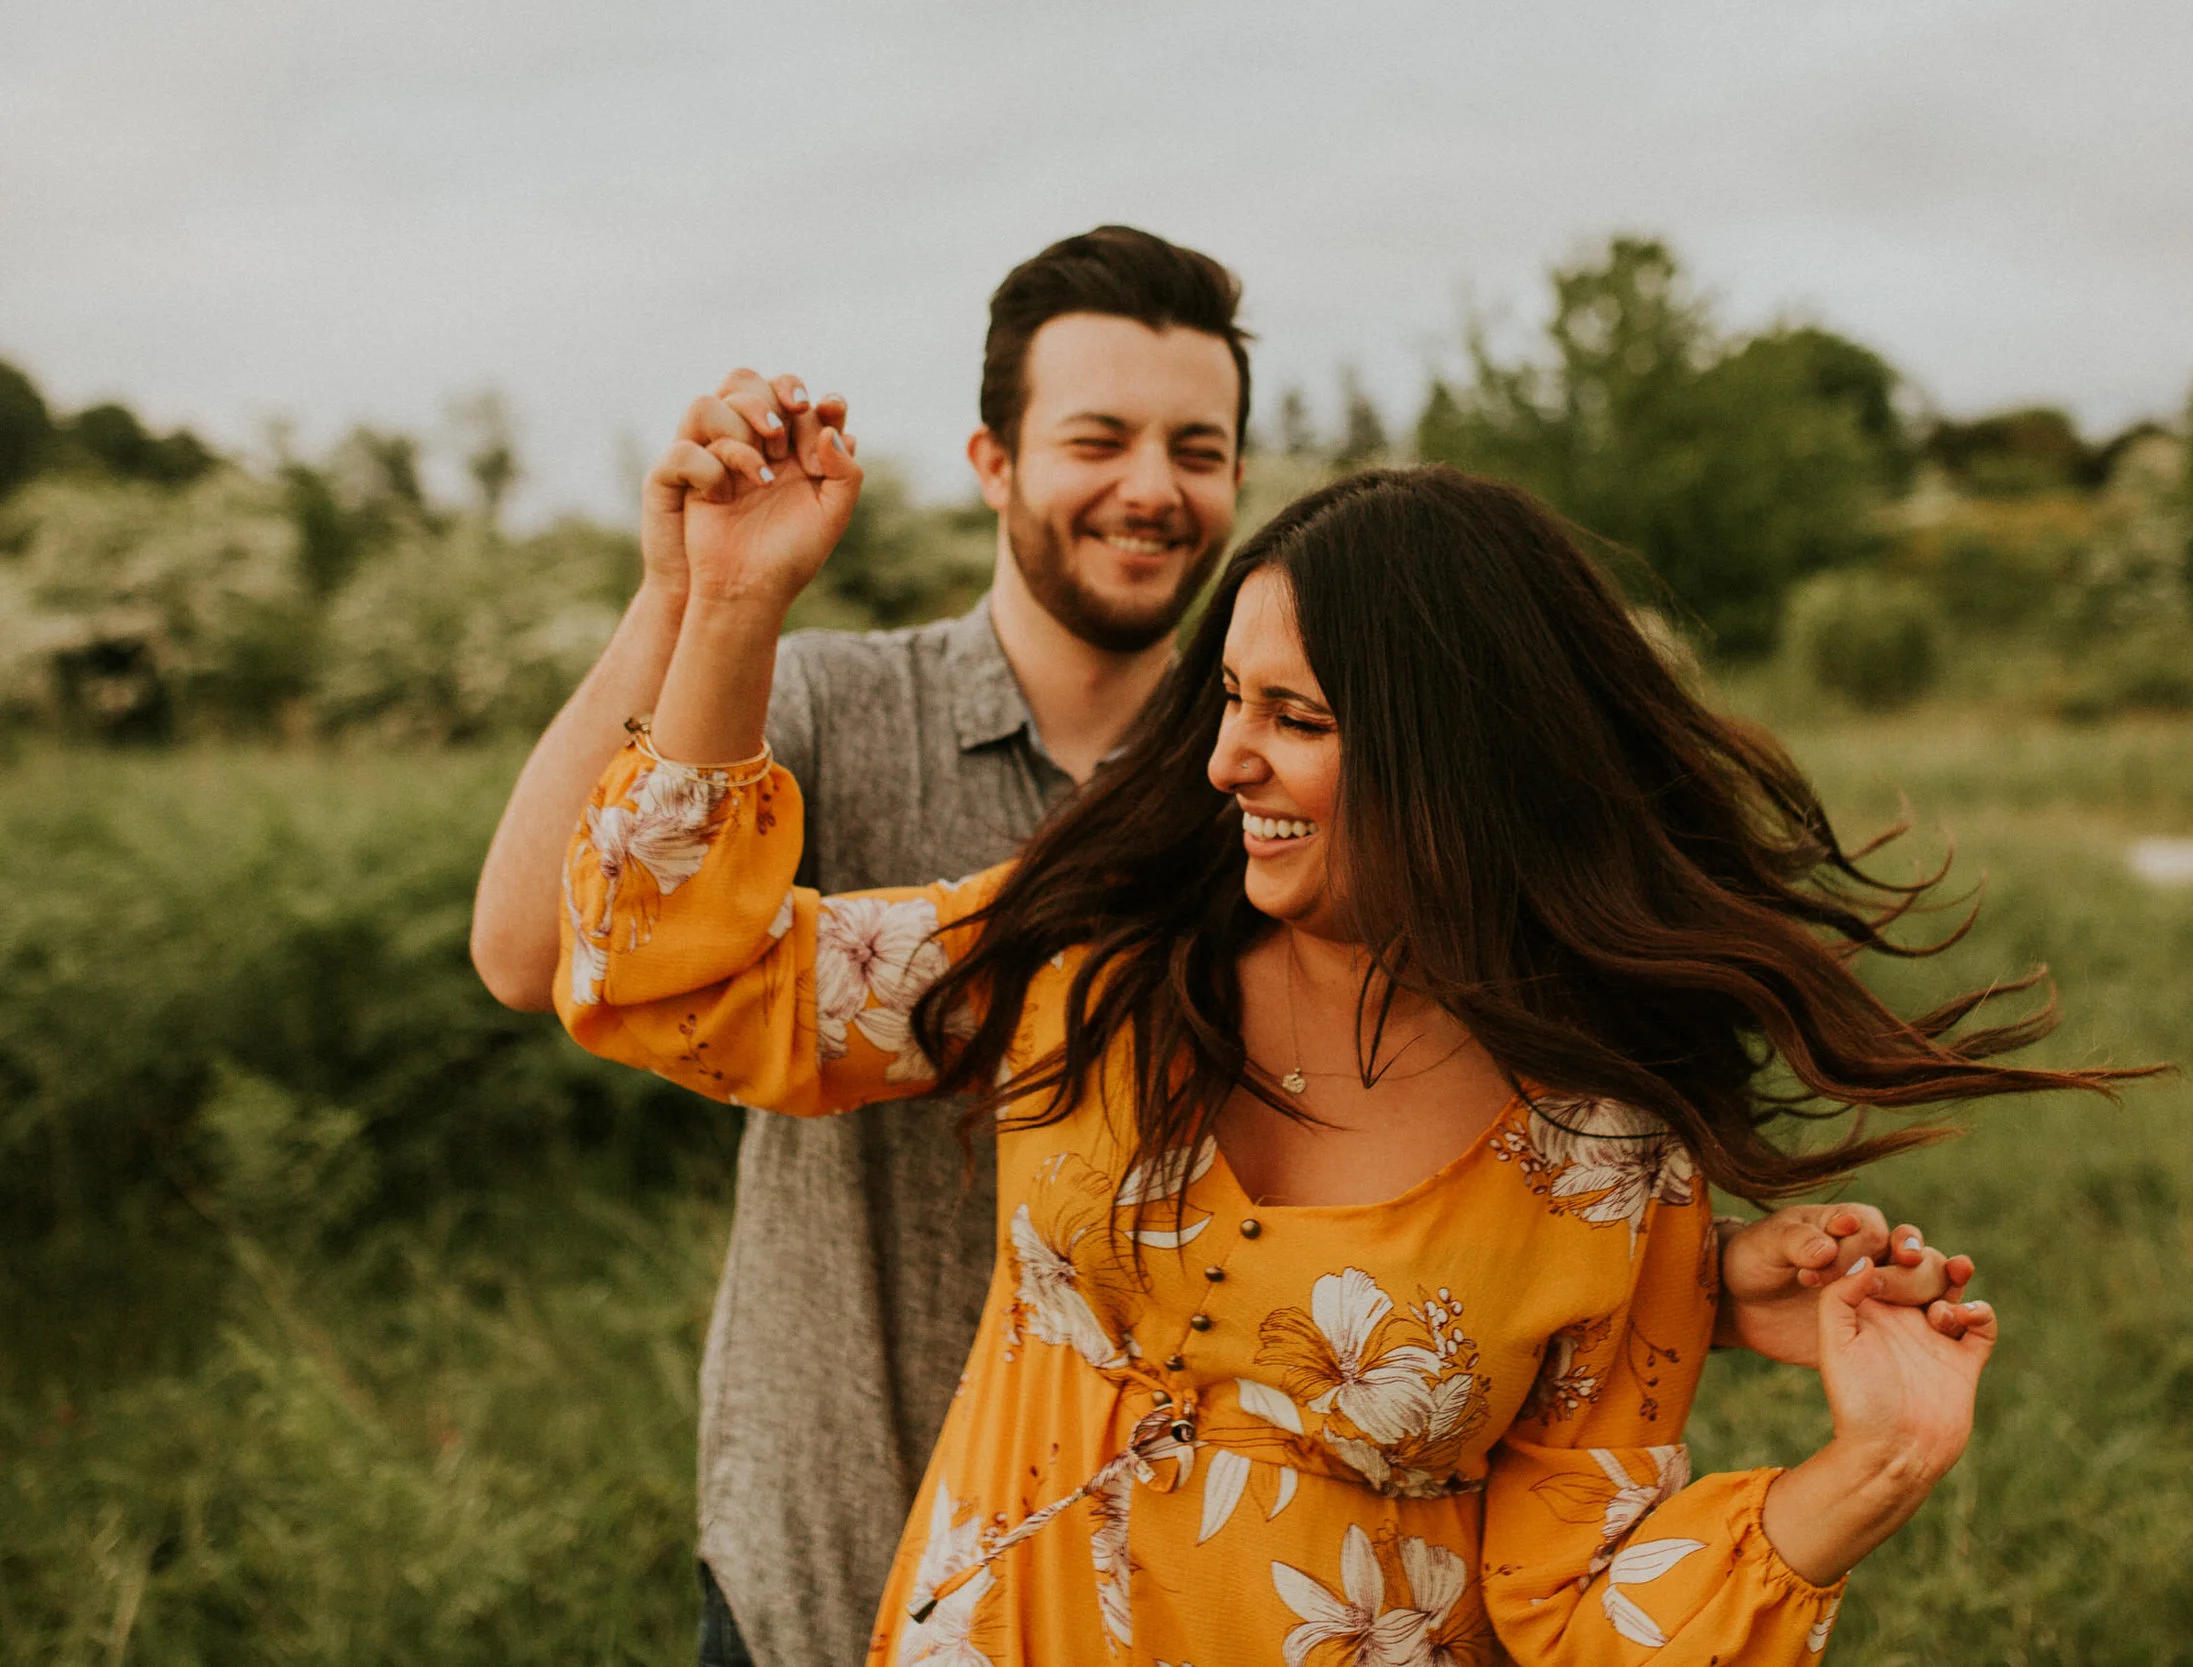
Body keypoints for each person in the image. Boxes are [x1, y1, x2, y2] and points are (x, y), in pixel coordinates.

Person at [476, 228, 1961, 1664]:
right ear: (995, 461)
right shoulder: (1097, 950)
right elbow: (662, 976)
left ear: (1457, 763)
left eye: (1294, 717)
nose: (1222, 759)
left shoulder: (1607, 1161)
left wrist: (1873, 1463)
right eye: (1232, 702)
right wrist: (719, 599)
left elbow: (1575, 1608)